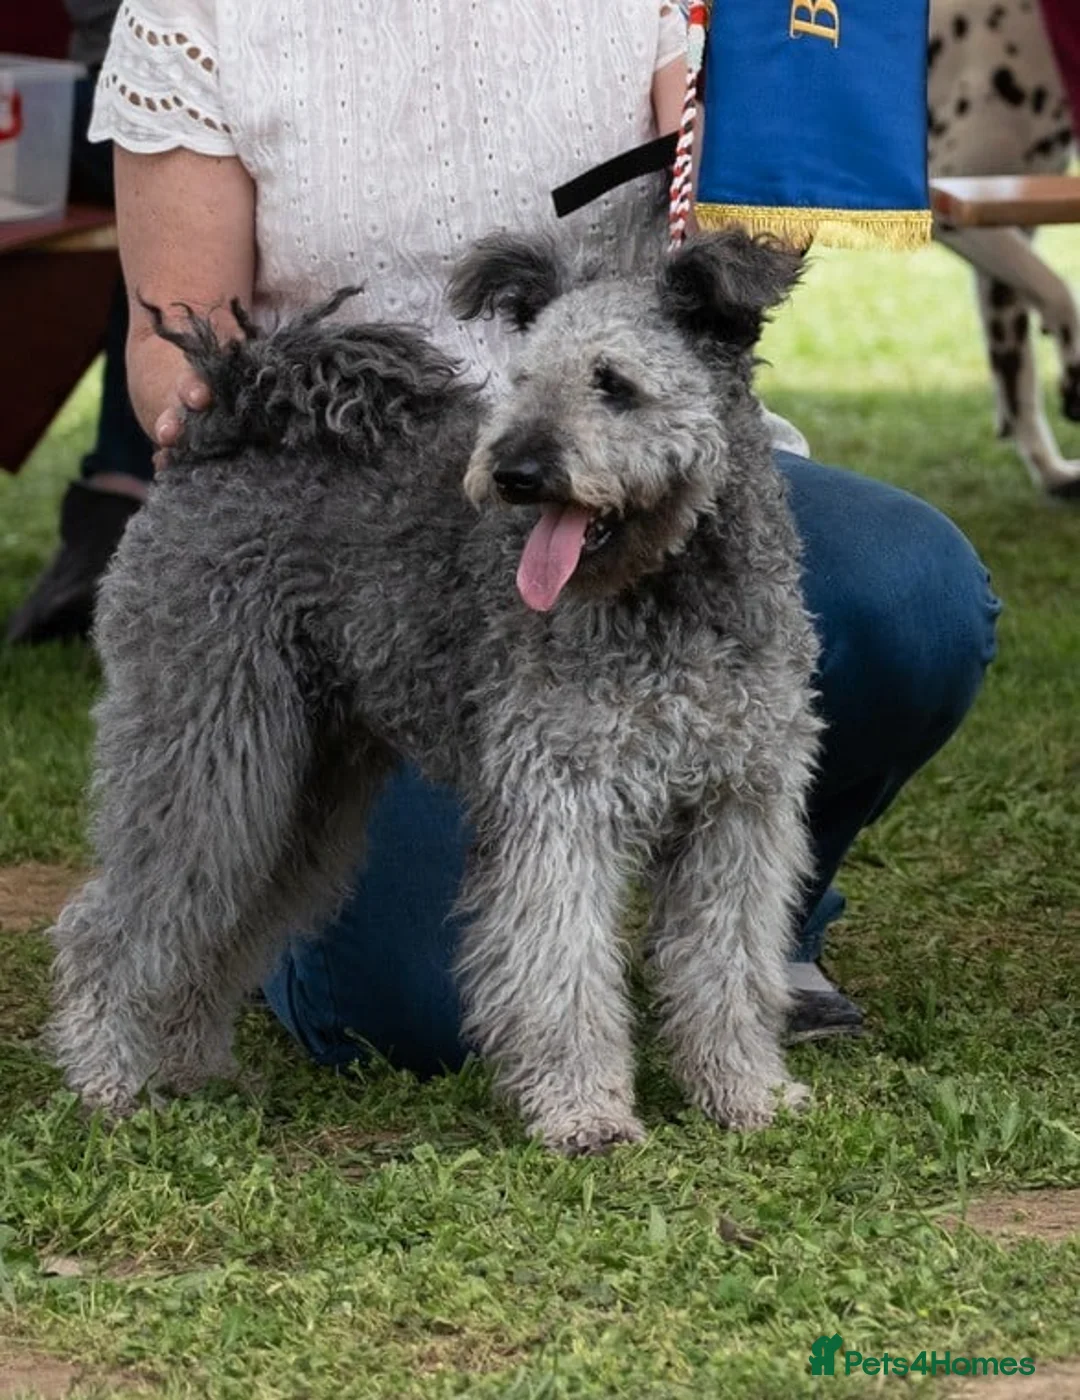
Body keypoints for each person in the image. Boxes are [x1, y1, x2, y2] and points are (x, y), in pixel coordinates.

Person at [83, 1, 999, 1069]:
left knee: (912, 590)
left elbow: (731, 228)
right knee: (422, 1013)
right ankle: (180, 990)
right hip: (351, 499)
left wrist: (775, 171)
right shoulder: (196, 18)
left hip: (645, 461)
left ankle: (742, 940)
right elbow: (179, 333)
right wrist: (203, 403)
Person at [6, 0, 156, 647]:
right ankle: (115, 504)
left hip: (121, 89)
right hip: (95, 89)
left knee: (162, 214)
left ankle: (115, 507)